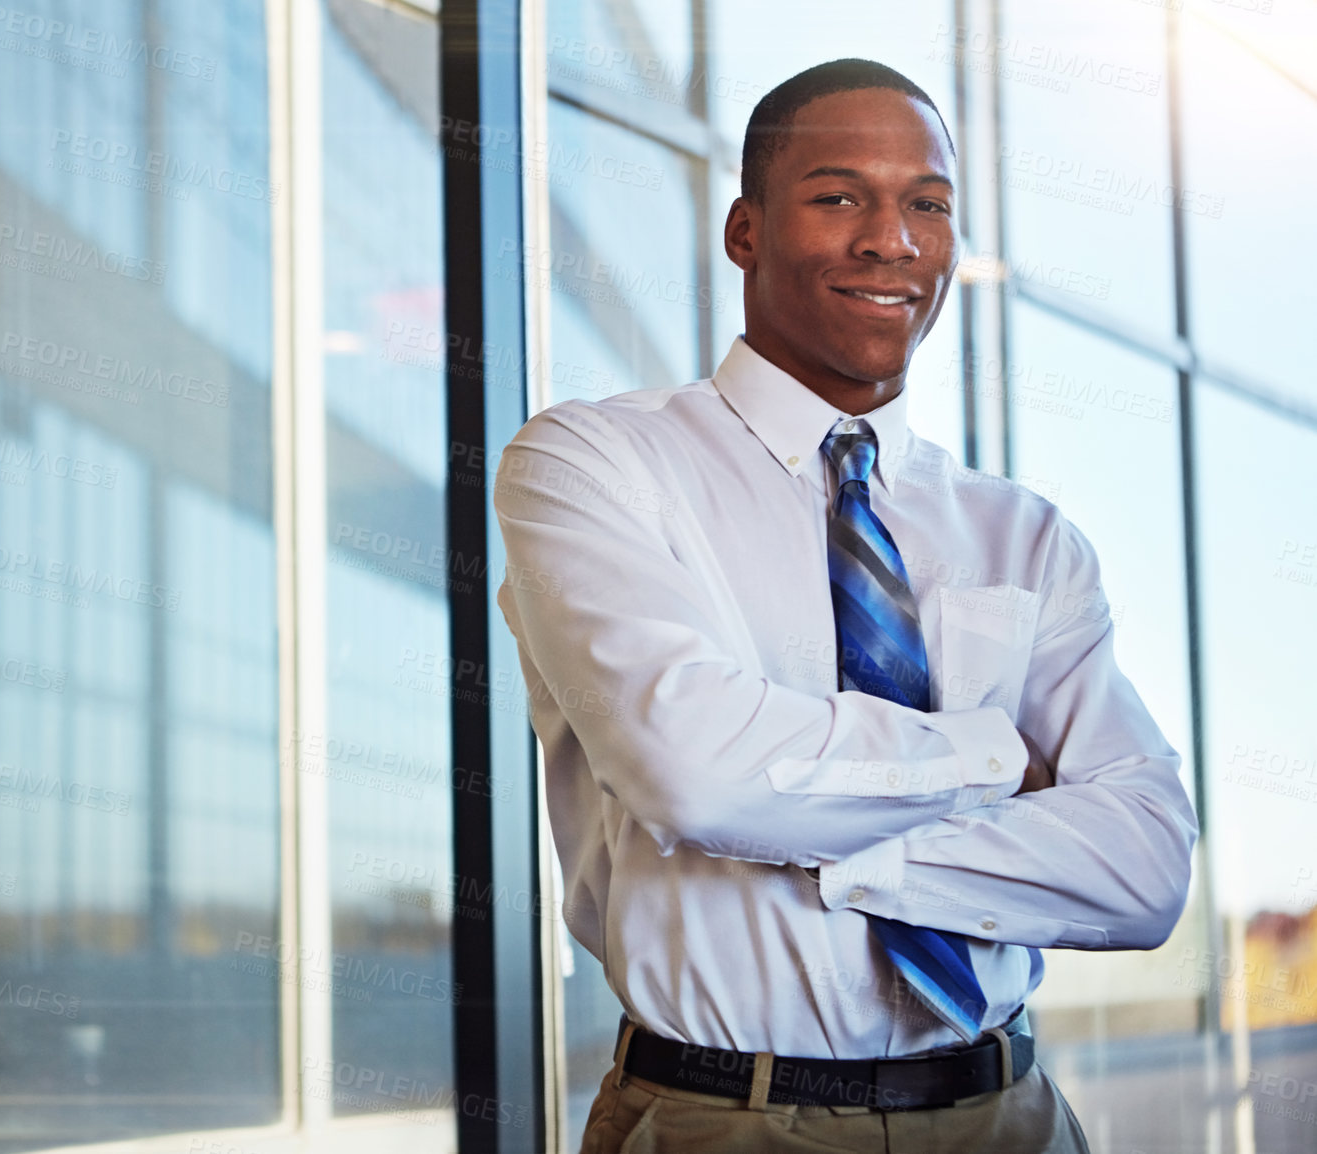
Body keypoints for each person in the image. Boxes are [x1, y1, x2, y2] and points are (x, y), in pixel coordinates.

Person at [492, 58, 1199, 1153]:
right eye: (838, 197)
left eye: (927, 204)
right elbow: (695, 769)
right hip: (727, 1118)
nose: (892, 240)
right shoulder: (593, 462)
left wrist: (835, 853)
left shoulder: (1022, 532)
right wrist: (992, 758)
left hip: (1010, 1114)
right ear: (745, 231)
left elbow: (1144, 867)